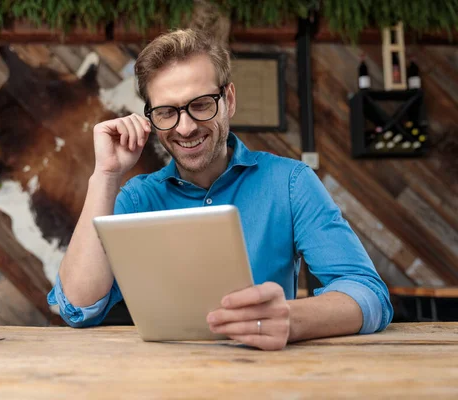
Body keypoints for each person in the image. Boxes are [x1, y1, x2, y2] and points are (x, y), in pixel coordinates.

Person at [47, 29, 393, 351]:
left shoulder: (290, 182)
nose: (185, 127)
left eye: (200, 104)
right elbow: (78, 308)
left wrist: (292, 318)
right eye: (167, 112)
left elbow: (369, 294)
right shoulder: (138, 197)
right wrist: (105, 175)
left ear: (228, 99)